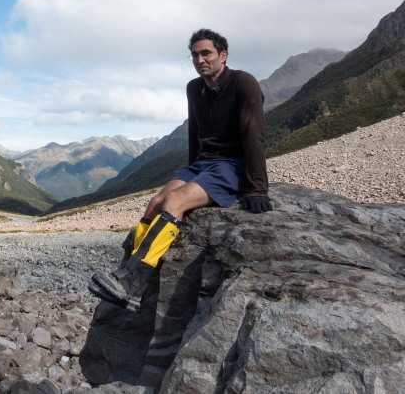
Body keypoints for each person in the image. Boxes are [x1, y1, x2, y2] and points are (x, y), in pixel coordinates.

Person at [89, 28, 272, 311]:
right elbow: (195, 133)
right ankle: (126, 271)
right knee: (155, 203)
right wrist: (190, 172)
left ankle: (133, 282)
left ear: (223, 55)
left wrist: (257, 188)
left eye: (206, 53)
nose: (200, 60)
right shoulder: (194, 88)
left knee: (175, 201)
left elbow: (253, 134)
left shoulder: (243, 82)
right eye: (195, 55)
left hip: (232, 165)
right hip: (203, 164)